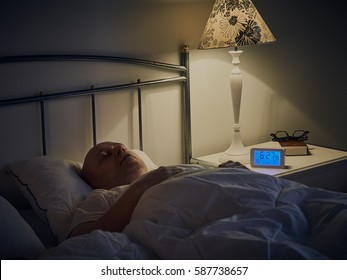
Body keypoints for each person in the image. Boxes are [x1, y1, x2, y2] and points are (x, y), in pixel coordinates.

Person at [69, 141, 247, 238]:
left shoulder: (171, 169)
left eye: (121, 147)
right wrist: (140, 187)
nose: (120, 150)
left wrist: (227, 172)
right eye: (105, 155)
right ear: (93, 181)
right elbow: (80, 240)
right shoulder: (100, 197)